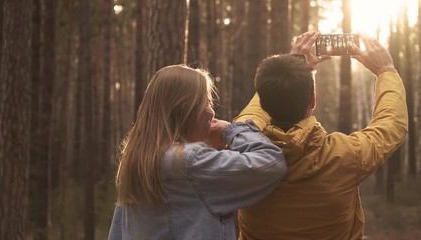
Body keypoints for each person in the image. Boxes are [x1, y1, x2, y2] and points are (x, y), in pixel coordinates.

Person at [235, 32, 408, 240]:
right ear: (313, 100)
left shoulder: (239, 150)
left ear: (263, 102)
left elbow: (253, 114)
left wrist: (290, 69)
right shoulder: (346, 156)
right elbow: (391, 124)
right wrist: (386, 71)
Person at [108, 65, 287, 240]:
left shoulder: (138, 161)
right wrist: (230, 130)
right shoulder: (190, 162)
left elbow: (117, 233)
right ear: (186, 108)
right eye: (207, 102)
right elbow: (271, 162)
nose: (212, 112)